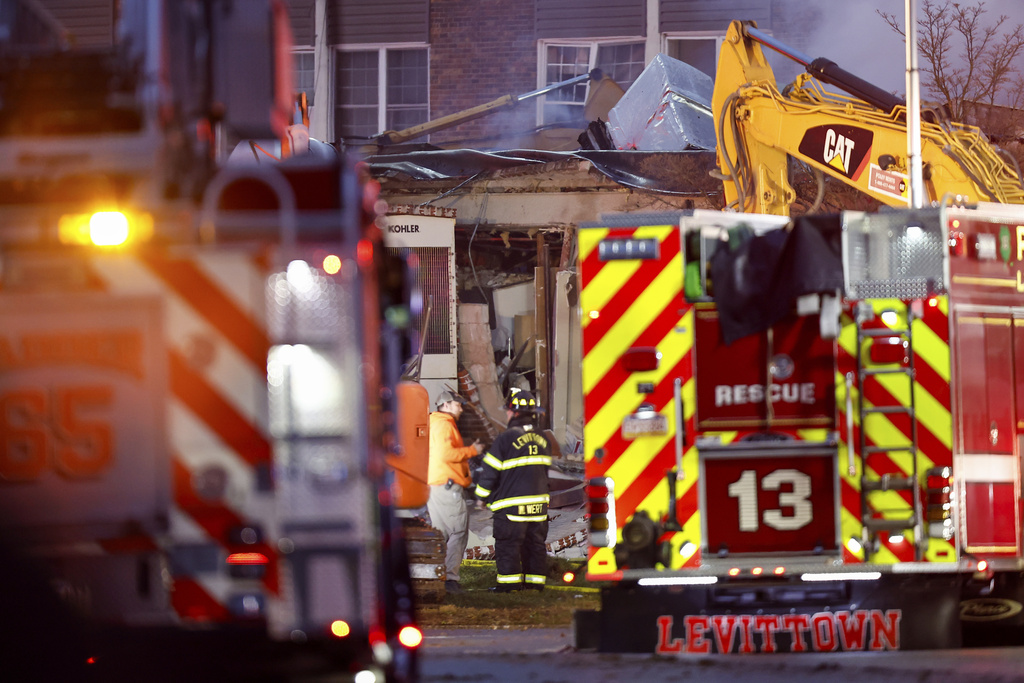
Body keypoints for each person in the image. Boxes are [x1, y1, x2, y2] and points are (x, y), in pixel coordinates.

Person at [474, 390, 551, 592]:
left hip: (512, 507)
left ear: (514, 413)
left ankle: (509, 586)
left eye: (508, 411)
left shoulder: (506, 438)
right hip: (538, 506)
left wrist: (481, 497)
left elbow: (490, 472)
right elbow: (544, 472)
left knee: (508, 544)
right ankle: (535, 585)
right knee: (535, 545)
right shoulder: (543, 438)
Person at [427, 389, 483, 594]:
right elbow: (446, 453)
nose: (460, 408)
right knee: (458, 531)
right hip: (447, 486)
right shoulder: (443, 424)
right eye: (458, 405)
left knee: (441, 533)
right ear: (447, 404)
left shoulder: (435, 422)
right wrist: (472, 451)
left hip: (437, 485)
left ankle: (437, 576)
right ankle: (450, 580)